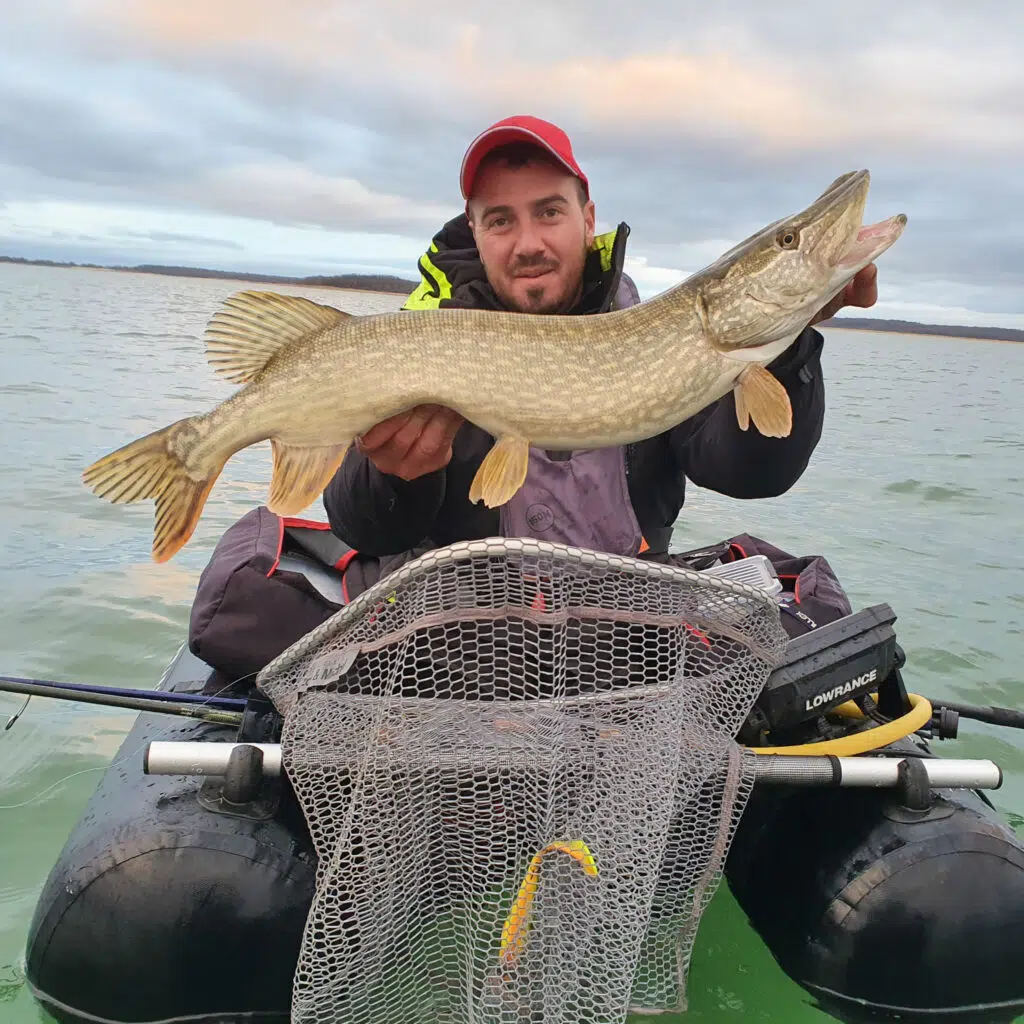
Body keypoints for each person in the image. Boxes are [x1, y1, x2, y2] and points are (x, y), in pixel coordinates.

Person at [322, 115, 878, 562]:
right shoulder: (429, 337)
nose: (528, 242)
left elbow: (753, 472)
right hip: (463, 645)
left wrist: (789, 346)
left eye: (549, 211)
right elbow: (362, 529)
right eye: (500, 221)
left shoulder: (658, 332)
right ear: (476, 232)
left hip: (622, 642)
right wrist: (393, 476)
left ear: (588, 219)